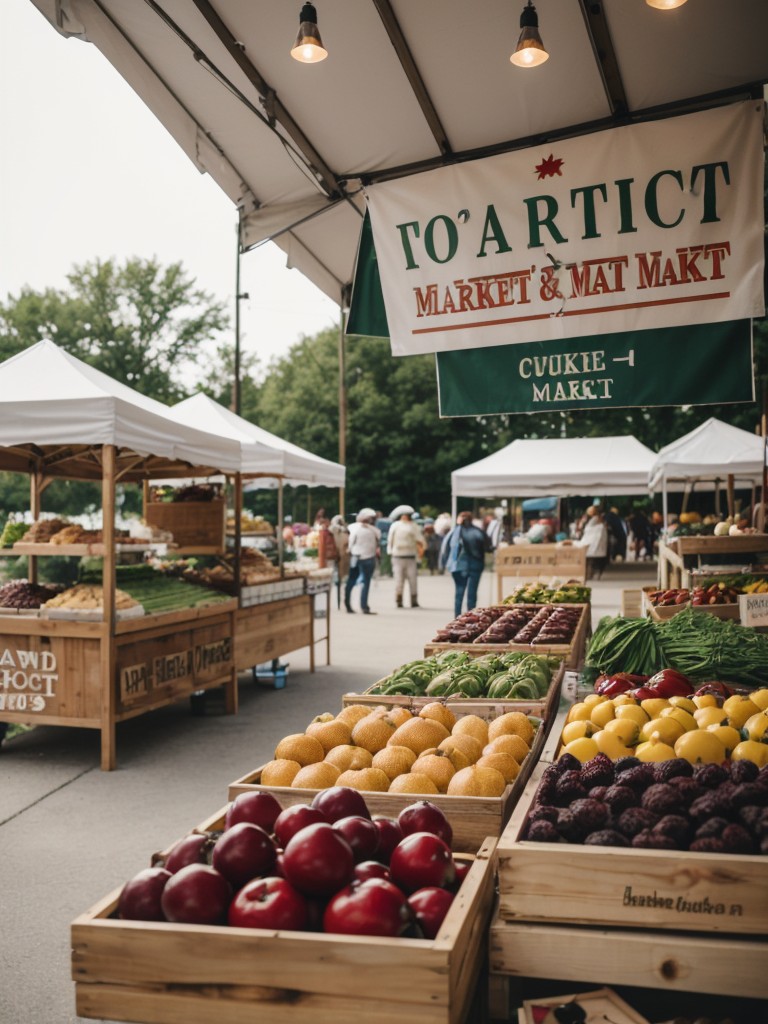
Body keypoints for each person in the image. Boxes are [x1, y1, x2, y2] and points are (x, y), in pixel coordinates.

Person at [439, 510, 491, 617]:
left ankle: (457, 616)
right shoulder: (478, 532)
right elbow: (488, 547)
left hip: (458, 566)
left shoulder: (454, 533)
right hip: (476, 565)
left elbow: (445, 549)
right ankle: (470, 616)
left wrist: (444, 564)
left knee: (459, 591)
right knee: (472, 593)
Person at [345, 507, 380, 614]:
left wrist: (350, 550)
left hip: (355, 556)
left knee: (351, 580)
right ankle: (364, 606)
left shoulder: (353, 528)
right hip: (368, 558)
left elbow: (351, 543)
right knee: (366, 582)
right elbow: (378, 537)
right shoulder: (373, 530)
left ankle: (347, 604)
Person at [387, 511, 424, 608]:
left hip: (410, 555)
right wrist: (390, 551)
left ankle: (413, 600)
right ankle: (399, 599)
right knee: (399, 580)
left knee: (412, 580)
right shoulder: (396, 525)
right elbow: (390, 539)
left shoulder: (413, 525)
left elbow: (419, 539)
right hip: (398, 555)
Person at [579, 508, 609, 579]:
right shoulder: (595, 519)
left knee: (591, 561)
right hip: (594, 544)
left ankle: (591, 574)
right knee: (593, 561)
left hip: (593, 544)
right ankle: (593, 574)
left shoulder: (594, 519)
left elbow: (588, 529)